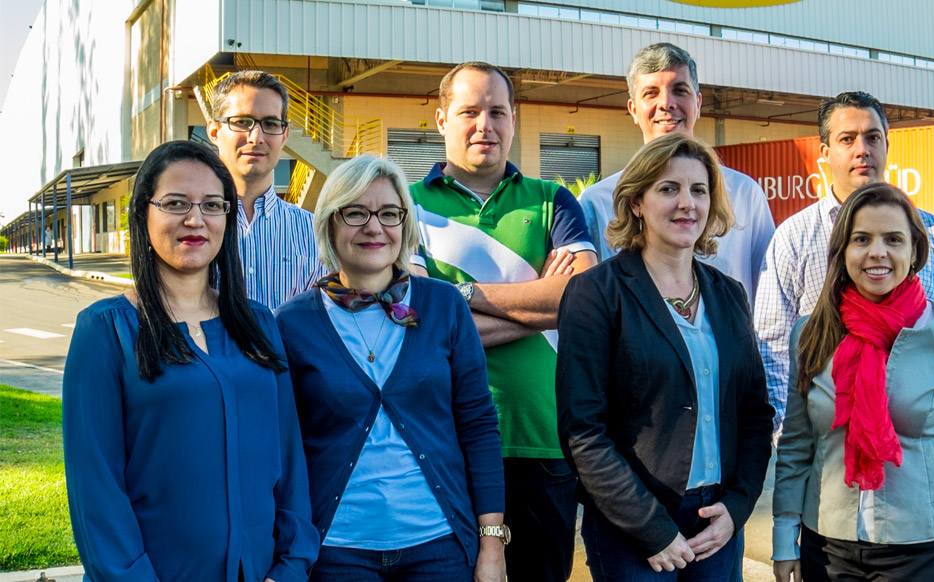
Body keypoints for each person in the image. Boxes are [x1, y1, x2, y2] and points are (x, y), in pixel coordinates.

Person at [63, 140, 318, 582]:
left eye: (213, 205)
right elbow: (97, 492)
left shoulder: (259, 324)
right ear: (143, 213)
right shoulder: (105, 330)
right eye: (176, 203)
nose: (196, 219)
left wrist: (290, 569)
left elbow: (289, 460)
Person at [275, 154, 506, 581]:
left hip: (440, 548)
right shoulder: (293, 323)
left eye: (388, 213)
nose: (374, 227)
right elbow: (284, 450)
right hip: (335, 552)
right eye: (355, 212)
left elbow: (477, 425)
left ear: (405, 223)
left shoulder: (444, 306)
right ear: (329, 222)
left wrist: (492, 543)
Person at [410, 61, 597, 582]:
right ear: (442, 119)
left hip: (544, 440)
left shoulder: (552, 199)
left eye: (497, 111)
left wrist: (459, 295)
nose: (484, 125)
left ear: (514, 119)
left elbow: (585, 300)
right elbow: (420, 323)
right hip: (446, 442)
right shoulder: (407, 204)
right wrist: (545, 306)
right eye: (469, 111)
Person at [557, 132, 774, 581]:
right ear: (637, 202)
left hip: (717, 522)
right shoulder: (596, 293)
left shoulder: (729, 295)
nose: (687, 204)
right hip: (632, 528)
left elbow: (755, 413)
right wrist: (651, 528)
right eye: (668, 188)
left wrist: (737, 508)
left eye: (699, 190)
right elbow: (583, 430)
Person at [771, 183, 934, 582]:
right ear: (843, 251)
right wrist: (784, 535)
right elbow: (796, 444)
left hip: (924, 546)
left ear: (915, 252)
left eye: (893, 239)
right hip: (828, 541)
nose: (877, 252)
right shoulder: (810, 334)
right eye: (861, 239)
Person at [754, 91, 934, 432]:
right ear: (825, 153)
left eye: (872, 137)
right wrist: (794, 434)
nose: (862, 150)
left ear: (887, 144)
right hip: (828, 439)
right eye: (847, 139)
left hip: (920, 439)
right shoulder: (794, 238)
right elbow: (773, 348)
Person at [578, 42, 774, 309]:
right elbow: (584, 302)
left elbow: (769, 295)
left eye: (680, 91)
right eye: (651, 93)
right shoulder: (596, 202)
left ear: (698, 103)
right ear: (633, 110)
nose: (666, 104)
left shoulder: (745, 194)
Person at [208, 70, 326, 310]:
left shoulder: (315, 233)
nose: (256, 137)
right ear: (214, 132)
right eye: (242, 122)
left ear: (285, 136)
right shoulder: (193, 225)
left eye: (270, 124)